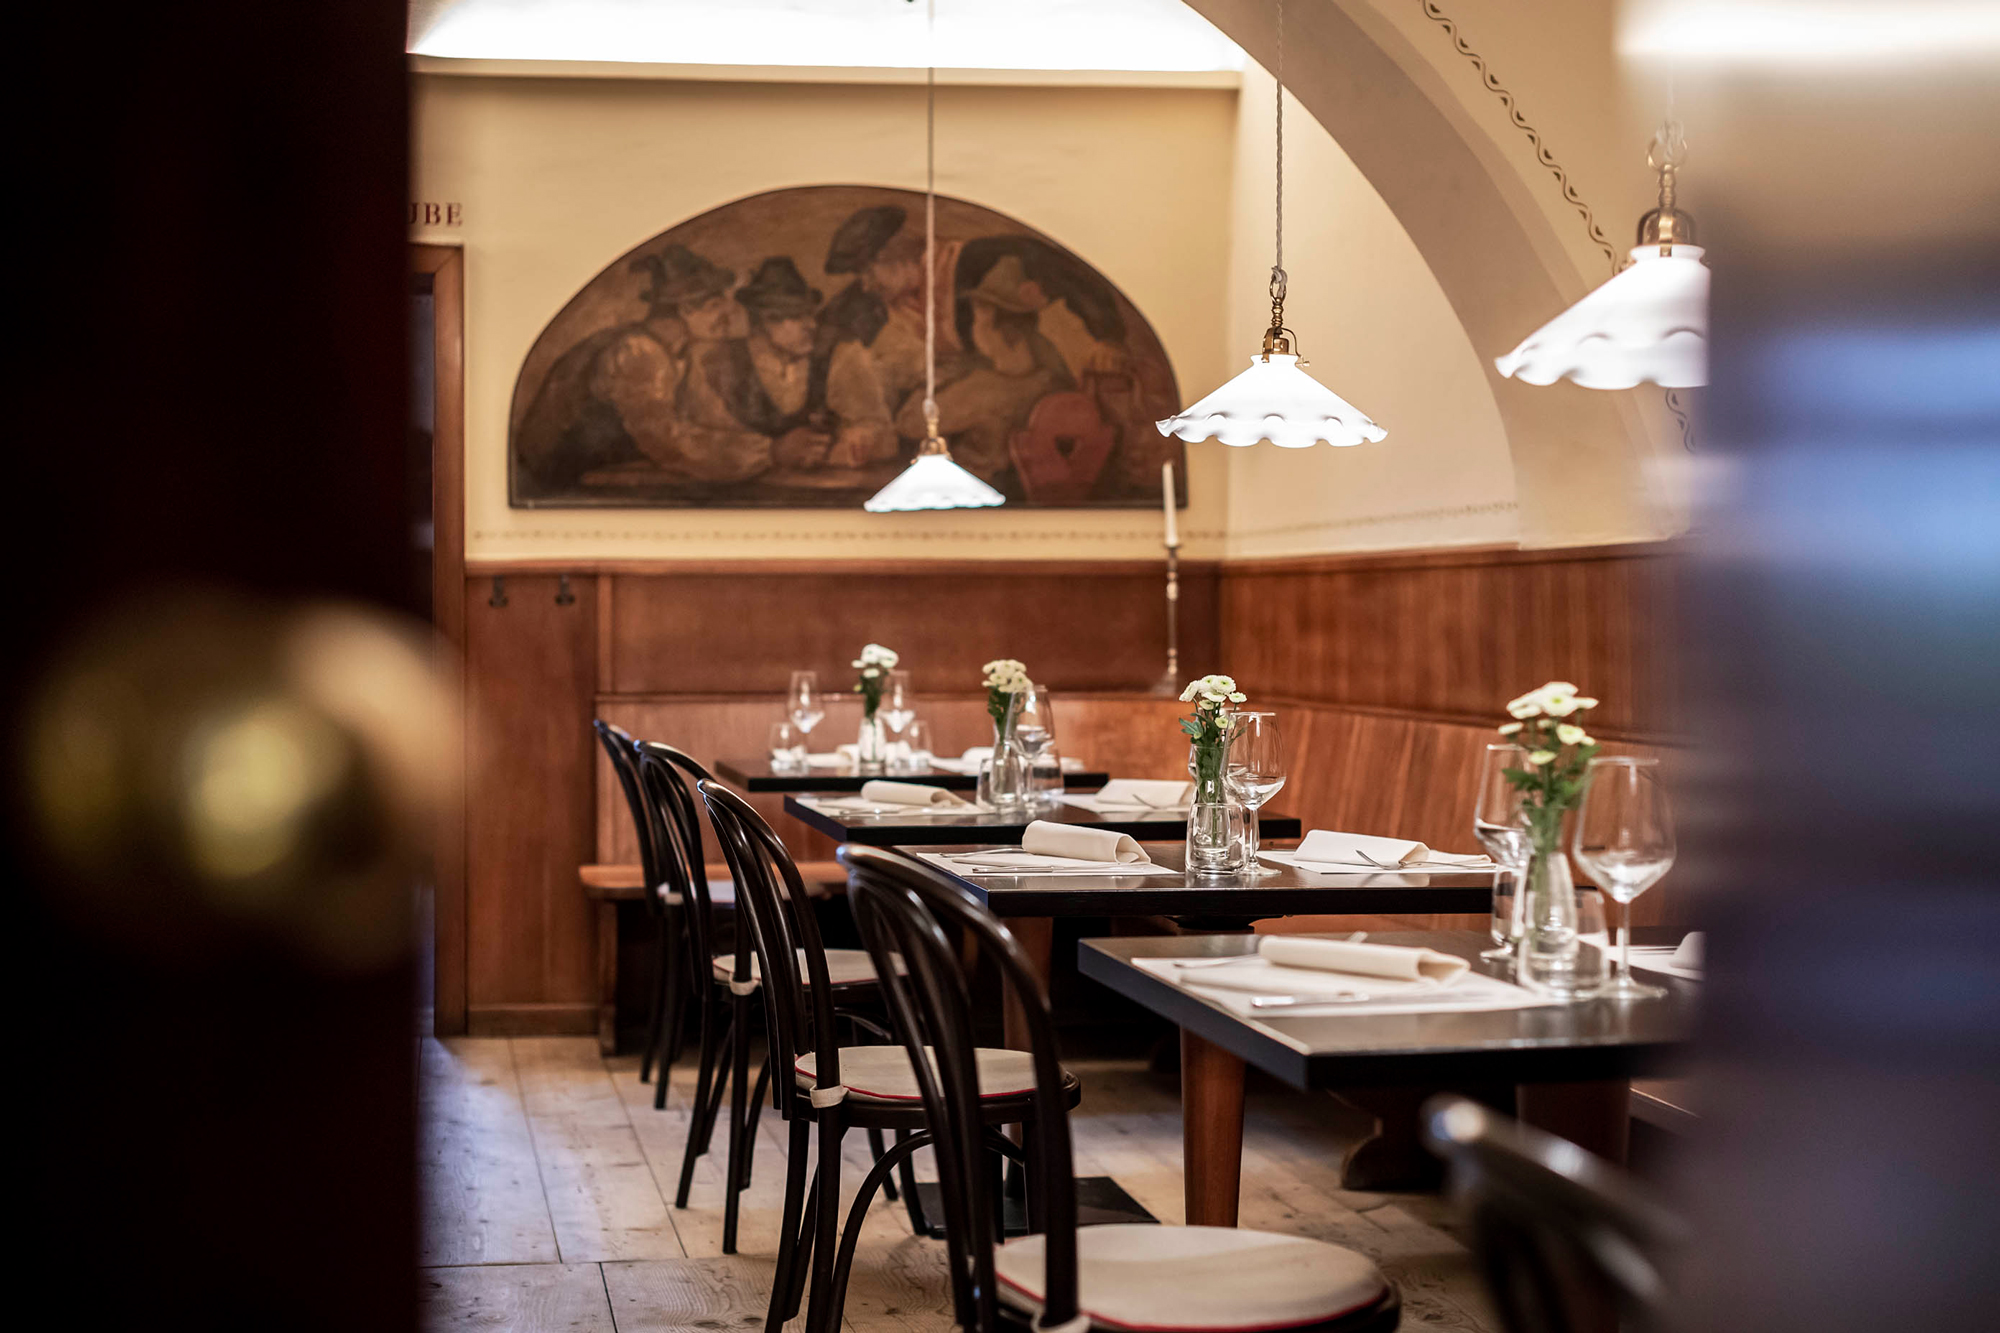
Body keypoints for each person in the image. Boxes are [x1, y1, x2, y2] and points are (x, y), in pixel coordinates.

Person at [513, 244, 738, 491]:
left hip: (598, 476)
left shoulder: (673, 352)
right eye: (715, 305)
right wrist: (767, 453)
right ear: (685, 309)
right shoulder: (638, 351)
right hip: (561, 486)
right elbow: (666, 443)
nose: (728, 315)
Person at [897, 255, 1075, 484]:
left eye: (978, 320)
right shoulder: (1051, 379)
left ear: (999, 327)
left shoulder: (985, 390)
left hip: (973, 494)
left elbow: (909, 422)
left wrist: (936, 379)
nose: (973, 329)